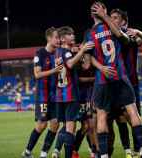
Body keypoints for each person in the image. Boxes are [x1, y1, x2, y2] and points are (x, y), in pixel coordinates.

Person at [85, 2, 142, 158]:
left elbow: (87, 62)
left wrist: (100, 67)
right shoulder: (113, 28)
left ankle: (104, 155)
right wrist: (106, 16)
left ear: (91, 15)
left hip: (102, 80)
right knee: (132, 112)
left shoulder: (89, 33)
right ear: (103, 12)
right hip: (120, 76)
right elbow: (125, 39)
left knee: (101, 116)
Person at [52, 26, 94, 158]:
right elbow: (70, 64)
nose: (73, 36)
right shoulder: (66, 52)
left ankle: (57, 151)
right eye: (70, 34)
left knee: (66, 127)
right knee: (70, 128)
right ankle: (68, 155)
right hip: (70, 94)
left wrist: (77, 50)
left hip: (60, 96)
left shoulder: (57, 52)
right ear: (63, 38)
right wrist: (82, 50)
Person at [22, 27, 62, 158]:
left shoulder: (59, 53)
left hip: (55, 95)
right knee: (42, 125)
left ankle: (44, 153)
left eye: (59, 37)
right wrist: (54, 71)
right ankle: (27, 152)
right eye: (56, 37)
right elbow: (37, 74)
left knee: (55, 123)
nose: (58, 40)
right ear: (49, 38)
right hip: (43, 95)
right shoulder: (40, 53)